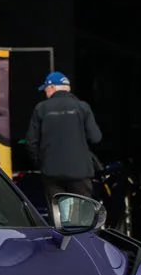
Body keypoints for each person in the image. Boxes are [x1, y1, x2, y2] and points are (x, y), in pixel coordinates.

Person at [24, 70, 102, 216]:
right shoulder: (82, 107)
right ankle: (82, 238)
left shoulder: (41, 108)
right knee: (83, 217)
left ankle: (62, 239)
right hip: (80, 172)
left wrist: (42, 163)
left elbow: (30, 142)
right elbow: (96, 138)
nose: (45, 92)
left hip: (51, 172)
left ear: (52, 87)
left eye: (46, 89)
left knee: (58, 217)